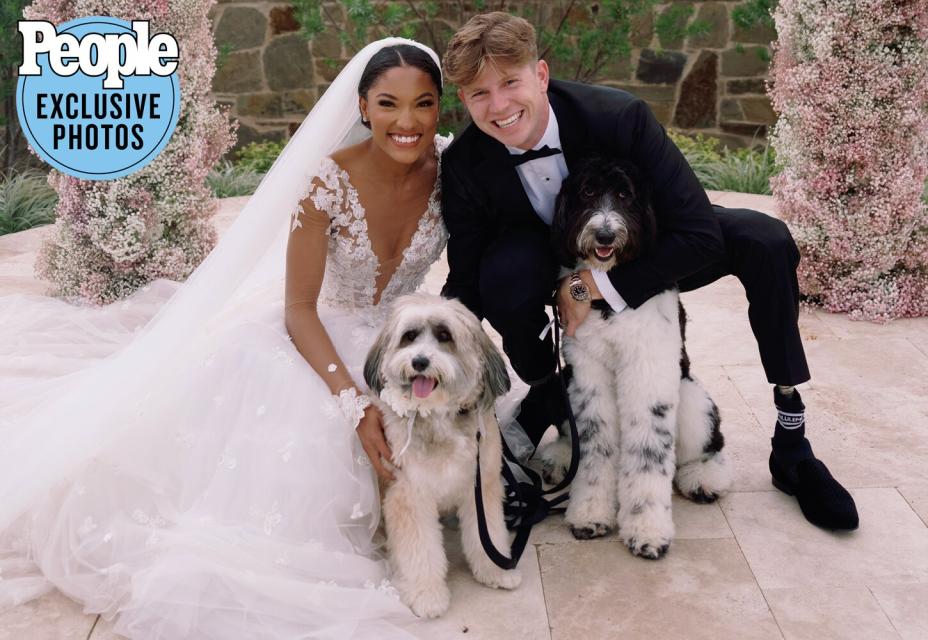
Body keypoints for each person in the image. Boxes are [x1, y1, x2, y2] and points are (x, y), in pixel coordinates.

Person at [0, 38, 450, 639]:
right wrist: (353, 401)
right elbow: (298, 309)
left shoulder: (452, 168)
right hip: (321, 340)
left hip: (405, 342)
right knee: (297, 475)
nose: (407, 121)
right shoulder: (326, 181)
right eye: (389, 103)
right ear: (363, 107)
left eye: (423, 104)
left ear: (440, 109)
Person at [438, 12, 859, 531]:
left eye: (510, 82)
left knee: (764, 240)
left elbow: (699, 231)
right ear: (463, 100)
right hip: (540, 256)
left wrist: (593, 285)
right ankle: (550, 389)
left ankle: (792, 444)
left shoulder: (618, 117)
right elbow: (465, 279)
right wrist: (436, 354)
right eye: (479, 93)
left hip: (643, 243)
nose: (499, 106)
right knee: (501, 275)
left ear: (541, 75)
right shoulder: (463, 163)